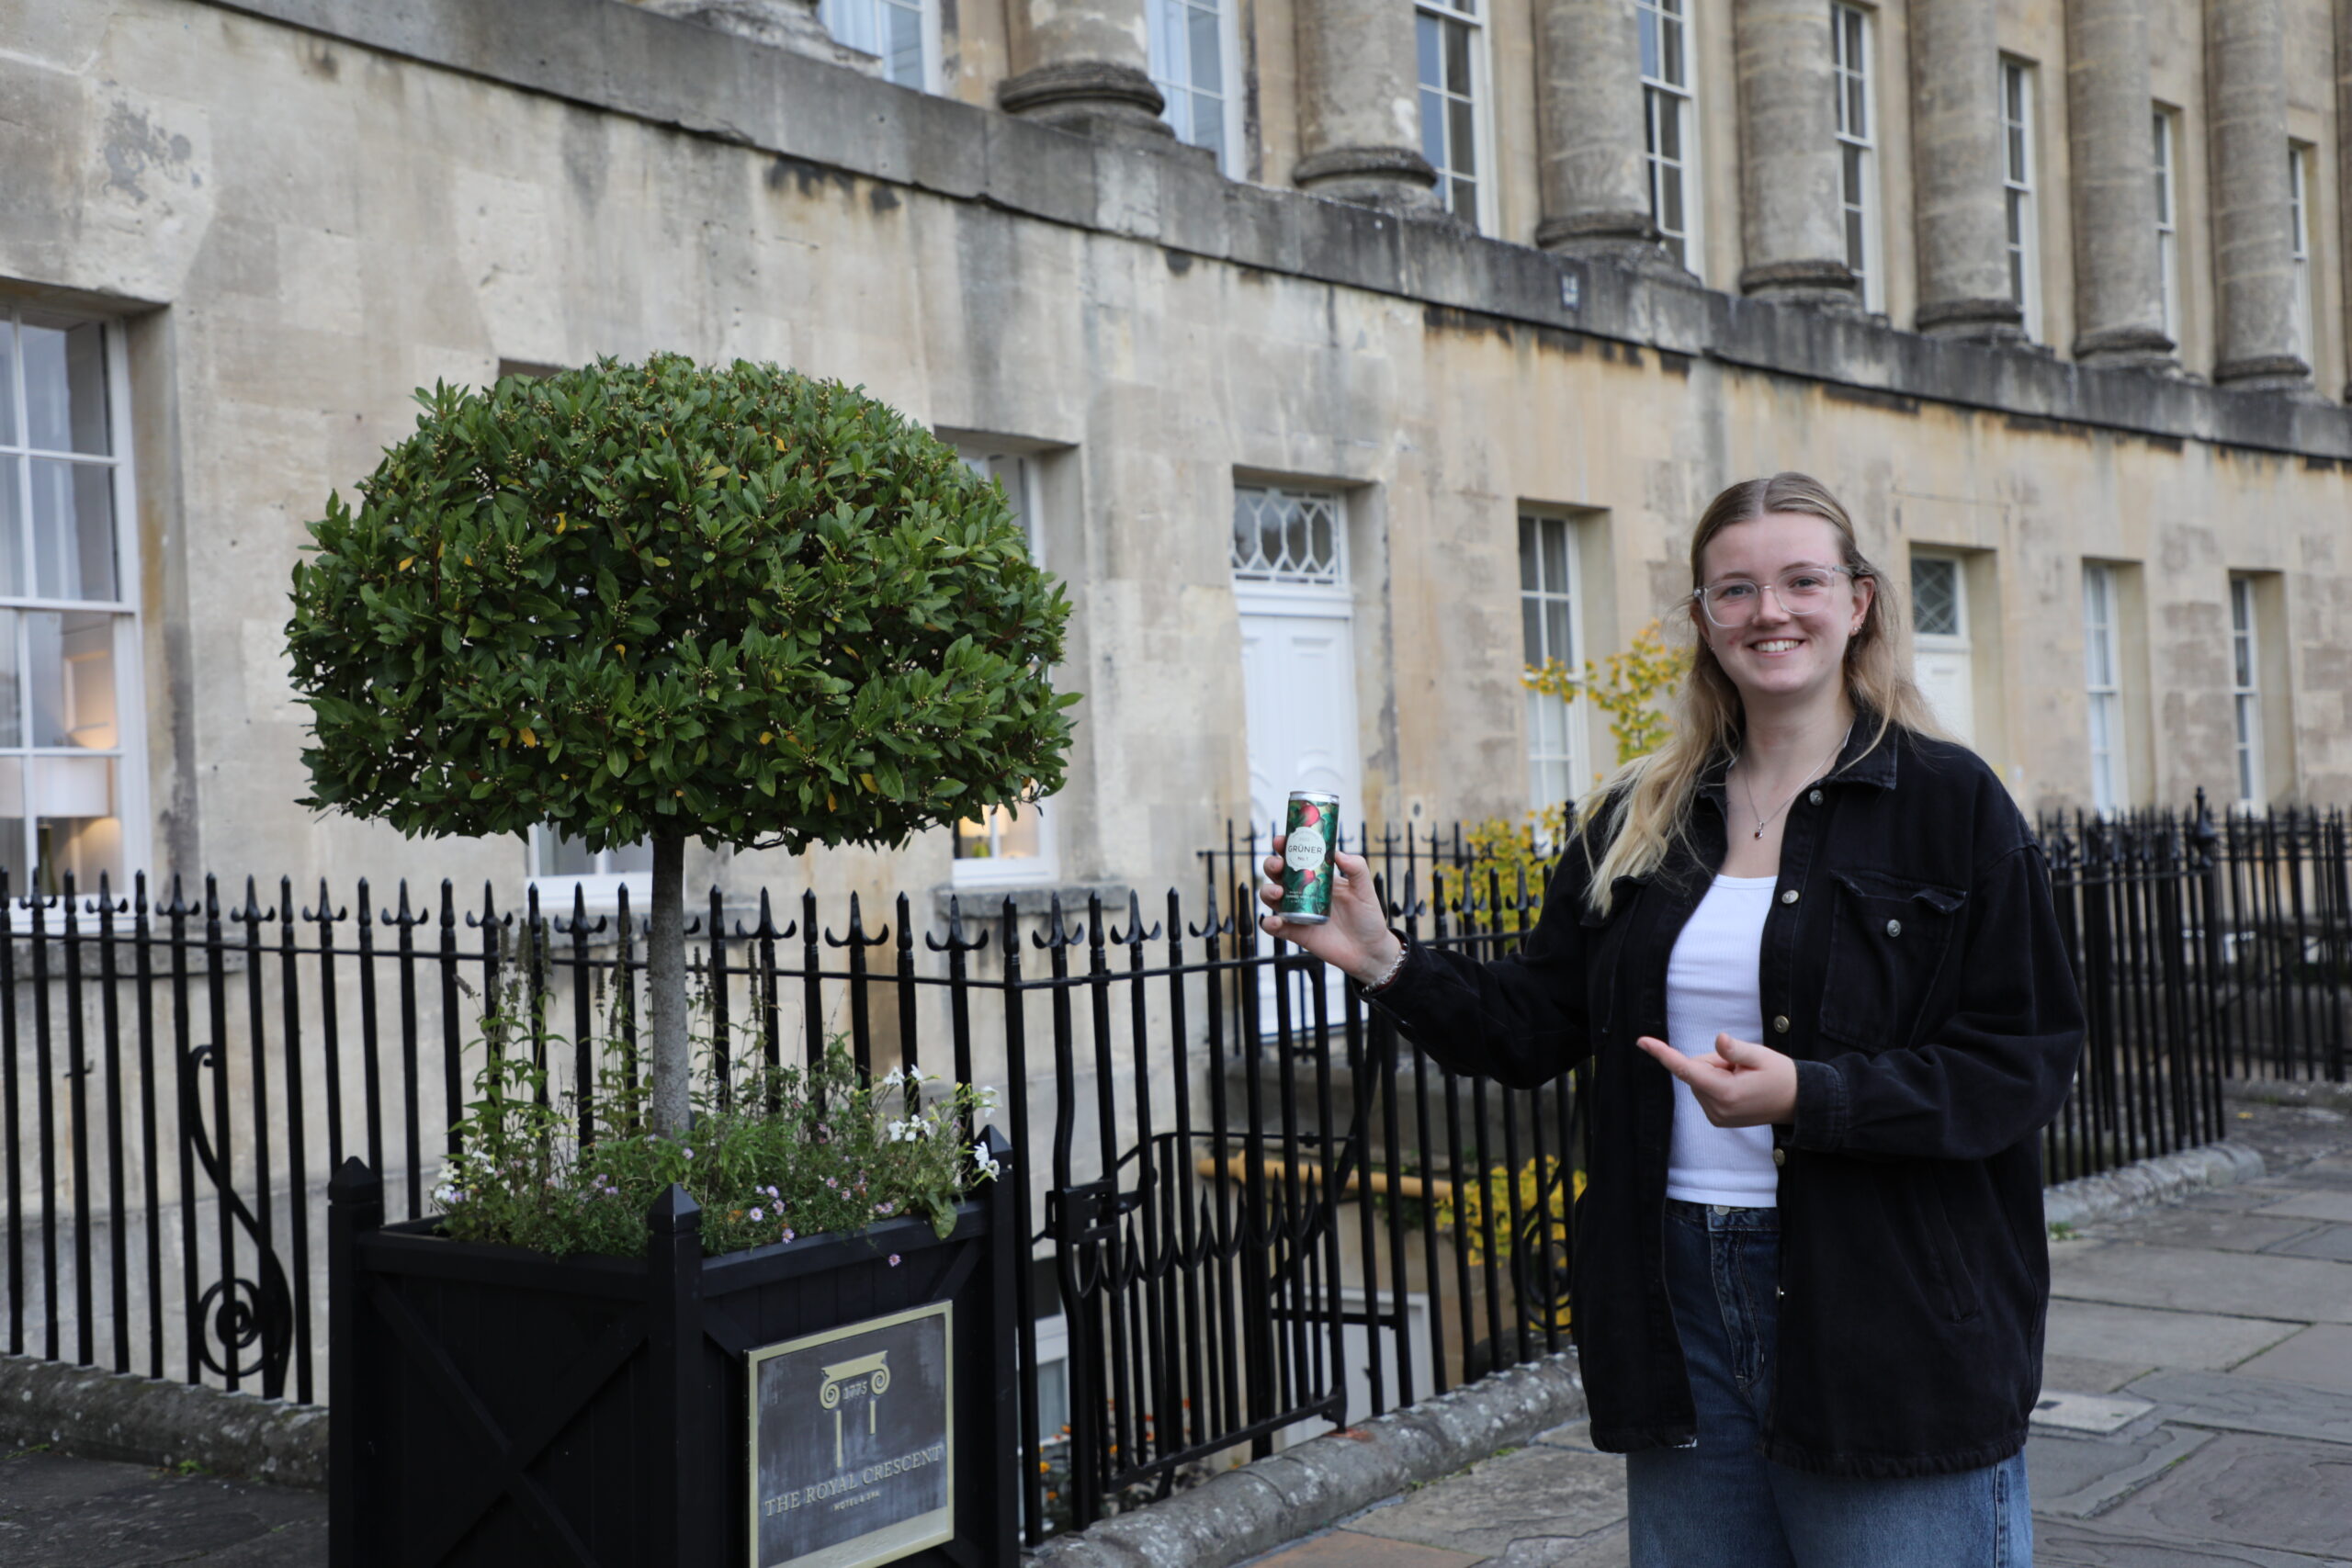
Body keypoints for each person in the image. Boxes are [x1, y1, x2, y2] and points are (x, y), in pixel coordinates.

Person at [1259, 473, 2085, 1567]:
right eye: (1733, 590)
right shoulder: (1639, 815)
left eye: (1801, 581)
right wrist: (1377, 953)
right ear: (1703, 619)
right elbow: (1529, 1028)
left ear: (1859, 602)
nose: (1768, 612)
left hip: (1885, 1308)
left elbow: (2018, 1061)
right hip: (1676, 1295)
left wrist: (1811, 1095)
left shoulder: (1949, 804)